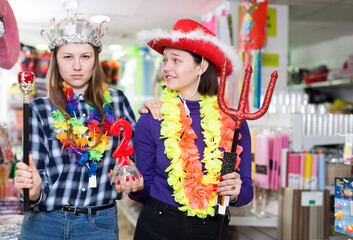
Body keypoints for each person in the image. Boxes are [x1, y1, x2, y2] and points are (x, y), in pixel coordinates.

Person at [13, 13, 146, 240]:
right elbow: (38, 178)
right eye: (67, 57)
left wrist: (133, 177)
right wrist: (32, 191)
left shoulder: (117, 101)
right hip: (44, 224)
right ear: (55, 60)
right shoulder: (38, 109)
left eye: (85, 56)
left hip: (98, 225)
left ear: (95, 59)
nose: (77, 66)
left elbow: (135, 159)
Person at [129, 19, 253, 240]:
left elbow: (245, 190)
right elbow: (144, 189)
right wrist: (135, 186)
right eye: (165, 60)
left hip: (211, 228)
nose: (166, 67)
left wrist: (234, 193)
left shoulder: (234, 122)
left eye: (176, 60)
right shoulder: (152, 119)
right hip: (157, 225)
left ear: (201, 67)